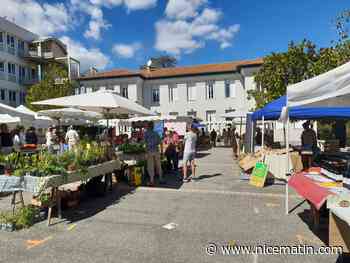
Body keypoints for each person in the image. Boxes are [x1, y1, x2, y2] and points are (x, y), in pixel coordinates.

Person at [144, 121, 163, 186]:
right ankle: (161, 179)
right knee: (158, 165)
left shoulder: (146, 133)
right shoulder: (156, 133)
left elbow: (145, 144)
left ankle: (152, 180)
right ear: (153, 127)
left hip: (149, 151)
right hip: (156, 151)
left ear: (148, 126)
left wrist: (145, 152)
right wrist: (162, 152)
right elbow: (160, 143)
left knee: (150, 166)